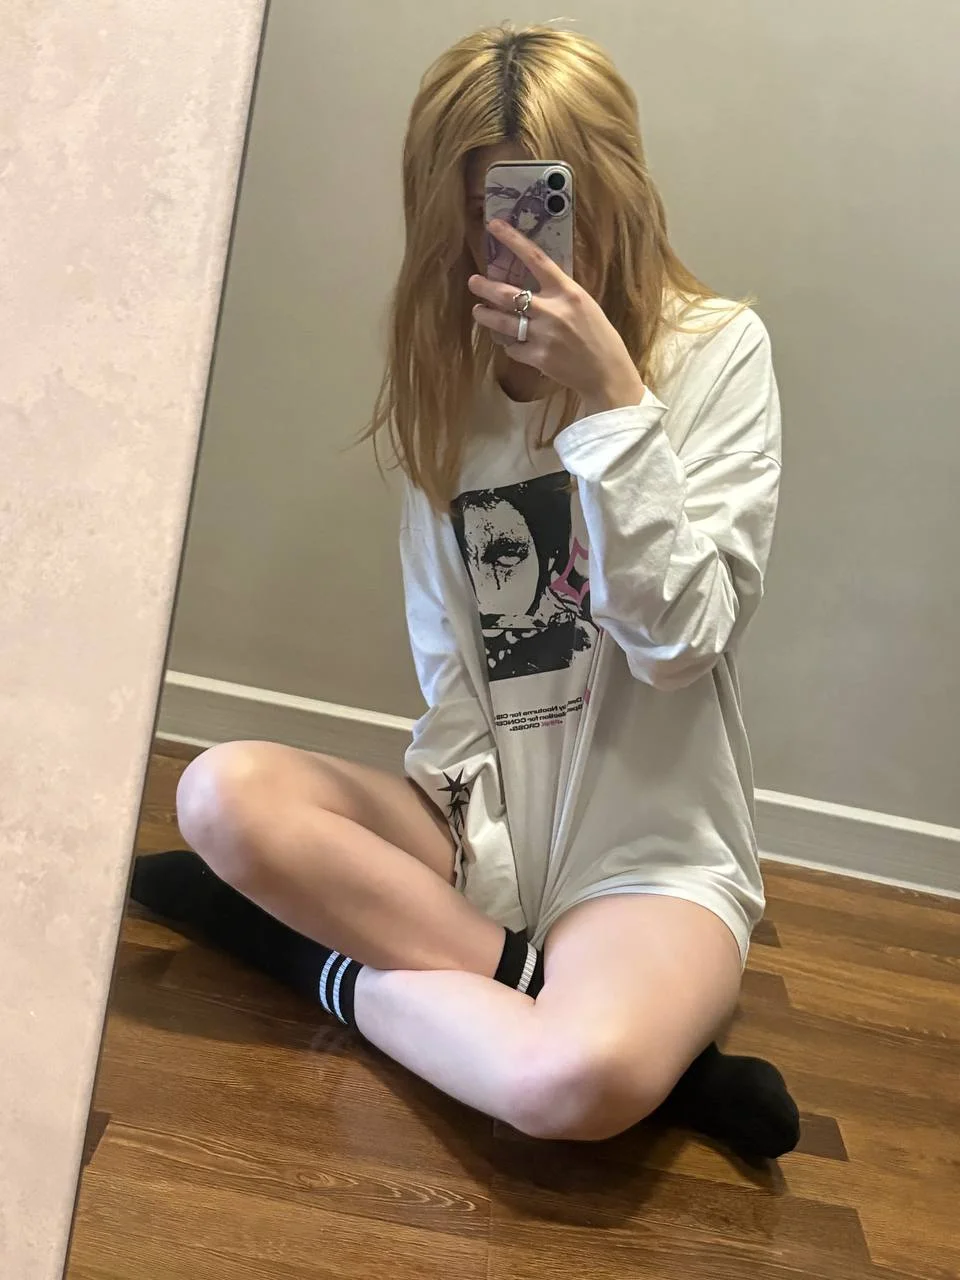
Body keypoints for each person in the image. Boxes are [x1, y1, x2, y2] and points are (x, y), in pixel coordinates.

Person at [132, 22, 800, 1159]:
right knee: (220, 795)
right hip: (476, 821)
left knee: (569, 1081)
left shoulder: (718, 353)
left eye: (549, 202)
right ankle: (546, 992)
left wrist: (615, 406)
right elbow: (456, 663)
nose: (519, 240)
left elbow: (679, 642)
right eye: (489, 209)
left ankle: (303, 952)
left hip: (648, 853)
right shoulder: (450, 378)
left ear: (616, 188)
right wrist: (464, 835)